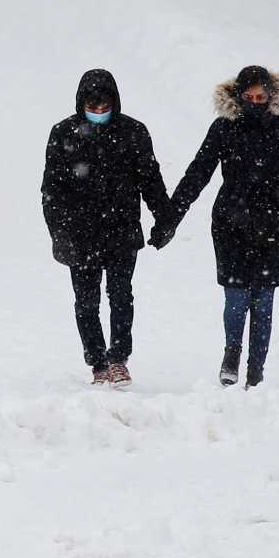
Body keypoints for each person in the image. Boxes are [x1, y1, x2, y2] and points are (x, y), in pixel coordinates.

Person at [169, 64, 279, 388]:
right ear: (238, 96)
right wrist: (171, 217)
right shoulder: (224, 128)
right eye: (249, 97)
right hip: (231, 220)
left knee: (264, 300)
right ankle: (232, 354)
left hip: (274, 221)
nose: (255, 102)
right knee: (236, 297)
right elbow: (198, 173)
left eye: (261, 96)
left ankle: (256, 369)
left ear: (270, 95)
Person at [39, 67, 175, 388]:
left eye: (105, 106)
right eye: (93, 106)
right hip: (79, 234)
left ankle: (118, 359)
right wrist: (59, 234)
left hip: (122, 230)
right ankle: (97, 363)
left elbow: (150, 181)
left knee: (121, 295)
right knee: (86, 301)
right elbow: (51, 192)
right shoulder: (63, 134)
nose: (99, 112)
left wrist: (164, 220)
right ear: (81, 103)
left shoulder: (133, 132)